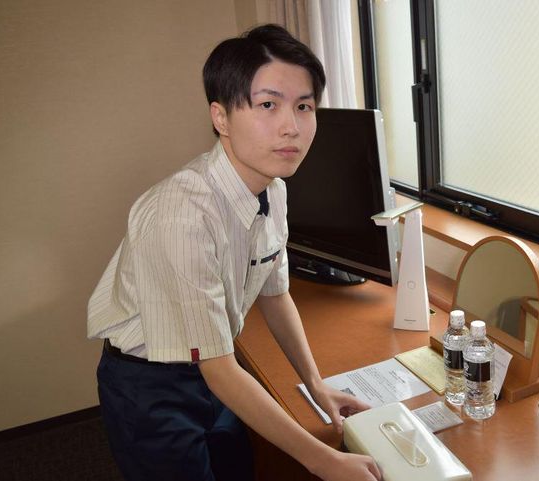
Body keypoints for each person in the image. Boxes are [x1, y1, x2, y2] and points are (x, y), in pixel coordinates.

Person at [87, 24, 382, 481]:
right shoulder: (181, 214)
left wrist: (316, 385)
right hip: (151, 382)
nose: (292, 126)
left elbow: (275, 295)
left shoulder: (274, 190)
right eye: (268, 105)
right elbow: (219, 370)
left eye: (304, 106)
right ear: (221, 117)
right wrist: (324, 461)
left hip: (216, 362)